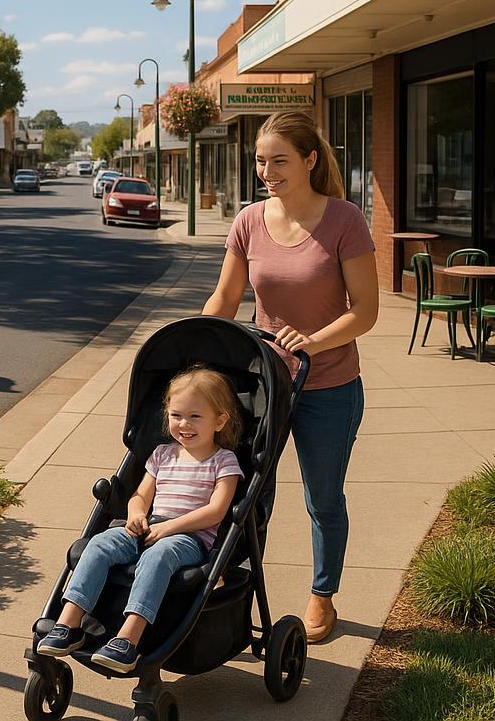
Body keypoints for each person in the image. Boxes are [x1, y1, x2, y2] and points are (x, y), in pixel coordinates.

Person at [203, 110, 378, 643]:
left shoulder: (345, 220)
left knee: (322, 499)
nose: (267, 171)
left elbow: (365, 311)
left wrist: (312, 341)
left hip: (329, 385)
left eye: (279, 160)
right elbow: (226, 298)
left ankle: (323, 594)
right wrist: (196, 342)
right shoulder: (249, 221)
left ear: (309, 159)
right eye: (260, 161)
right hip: (264, 388)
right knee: (249, 493)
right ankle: (232, 588)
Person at [37, 366, 243, 674]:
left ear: (220, 420)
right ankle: (69, 623)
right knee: (99, 543)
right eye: (176, 415)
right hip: (149, 526)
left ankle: (128, 639)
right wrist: (135, 516)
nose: (184, 424)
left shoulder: (223, 461)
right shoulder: (163, 454)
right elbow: (140, 497)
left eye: (195, 417)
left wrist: (169, 527)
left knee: (158, 555)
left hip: (189, 537)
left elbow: (216, 511)